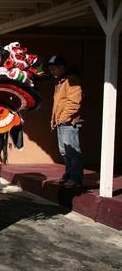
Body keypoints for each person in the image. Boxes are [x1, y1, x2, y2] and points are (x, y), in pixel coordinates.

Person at [49, 55, 83, 188]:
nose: (52, 71)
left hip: (68, 122)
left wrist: (63, 118)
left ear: (62, 67)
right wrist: (55, 121)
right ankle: (68, 175)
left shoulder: (71, 80)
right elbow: (58, 104)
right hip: (61, 122)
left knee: (73, 151)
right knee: (65, 151)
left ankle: (75, 179)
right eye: (51, 69)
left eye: (54, 68)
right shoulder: (60, 81)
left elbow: (74, 102)